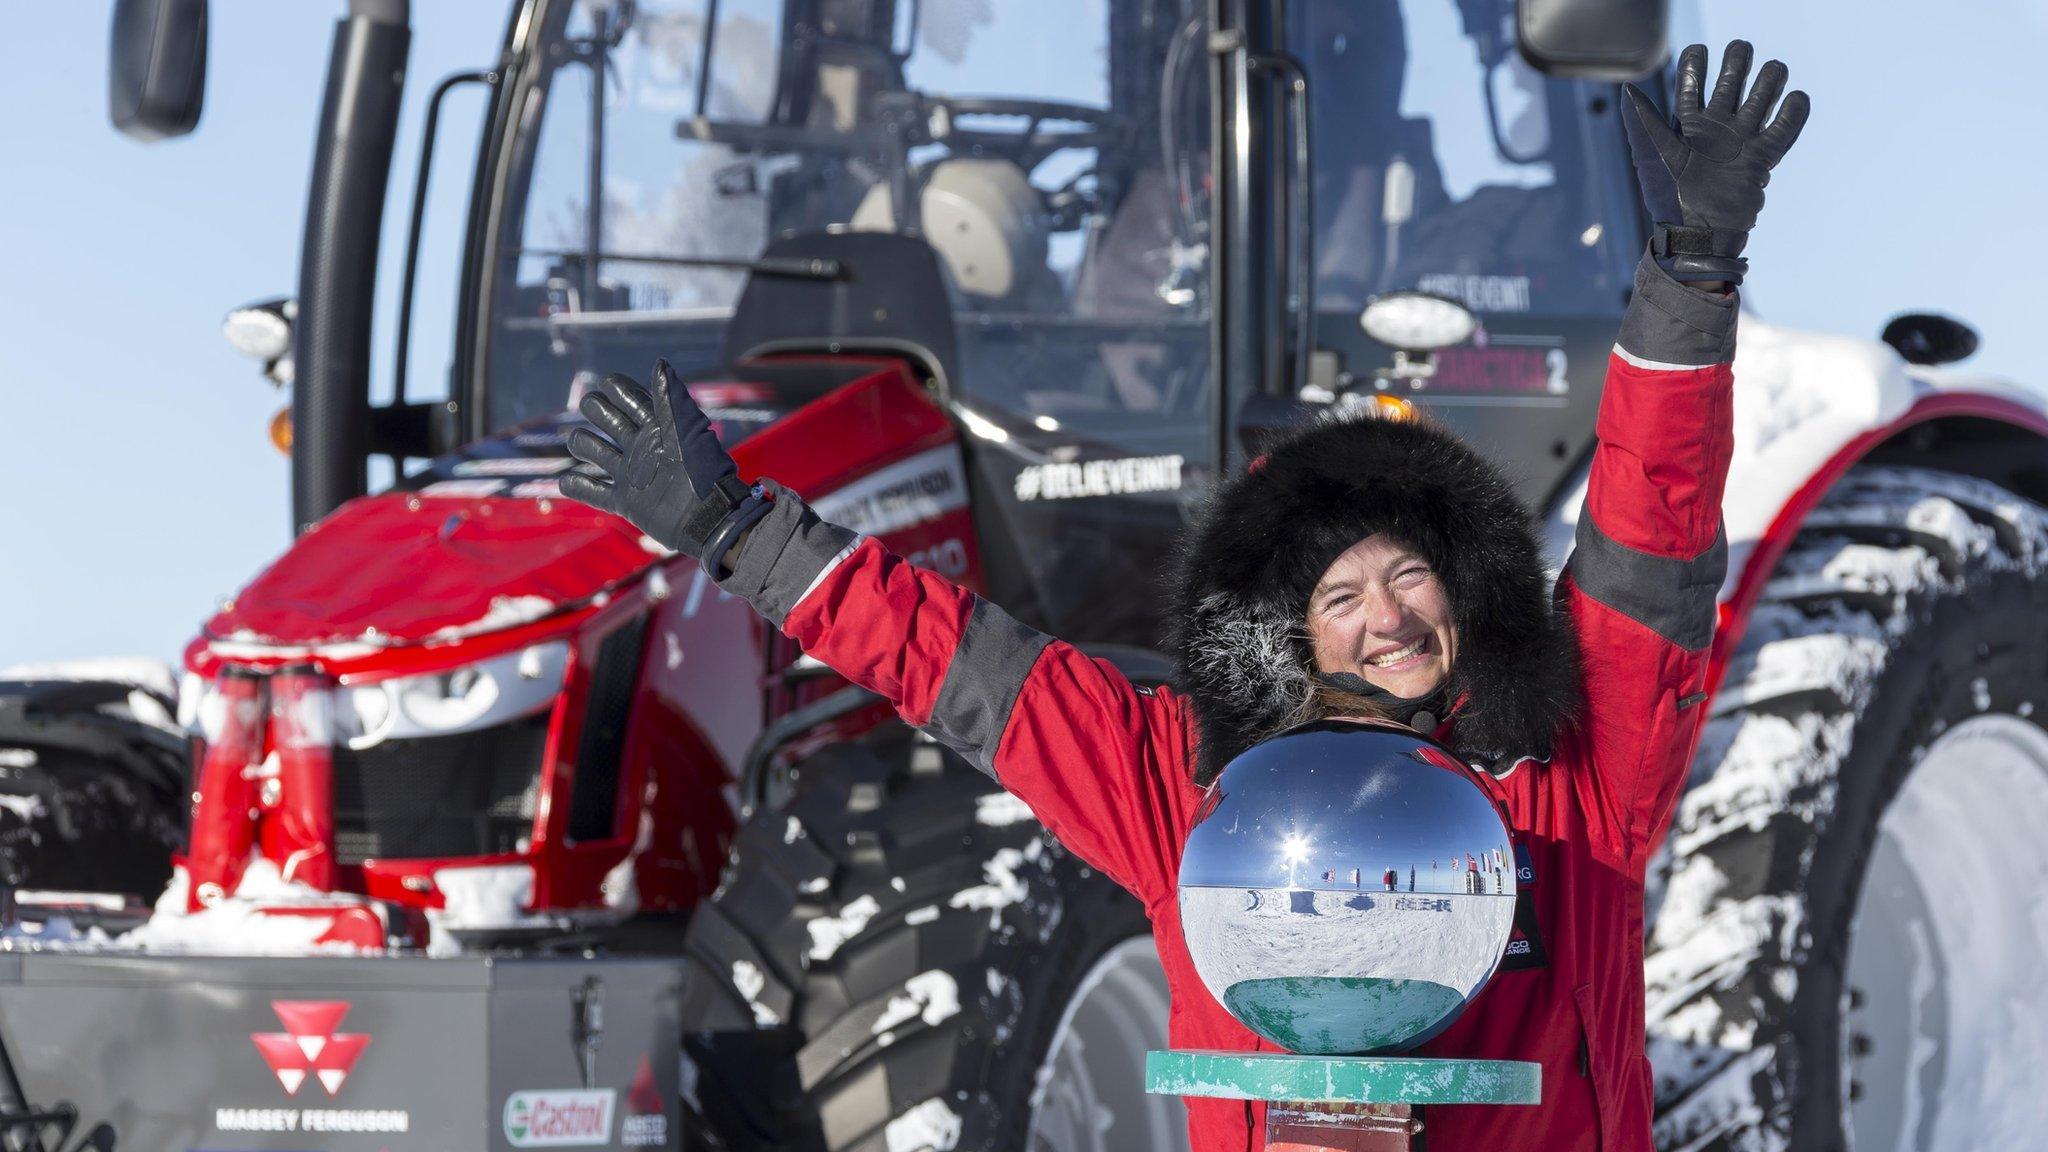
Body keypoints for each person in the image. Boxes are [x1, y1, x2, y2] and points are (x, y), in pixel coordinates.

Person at [562, 42, 1807, 1152]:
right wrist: (736, 531)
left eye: (1409, 575)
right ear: (1290, 628)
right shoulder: (1184, 785)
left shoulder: (1572, 773)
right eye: (1341, 593)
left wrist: (1685, 283)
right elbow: (958, 666)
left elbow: (1650, 533)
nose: (1385, 616)